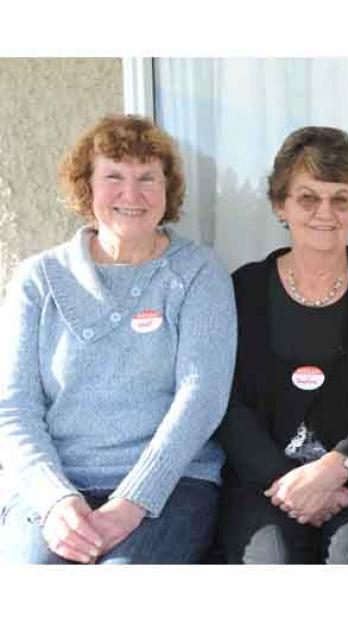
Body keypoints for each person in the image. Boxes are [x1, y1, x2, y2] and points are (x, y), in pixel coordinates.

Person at [0, 115, 236, 564]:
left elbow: (201, 396)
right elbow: (12, 407)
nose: (132, 194)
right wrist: (54, 500)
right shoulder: (38, 278)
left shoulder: (198, 273)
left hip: (171, 486)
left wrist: (133, 501)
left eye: (147, 177)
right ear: (86, 187)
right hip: (53, 484)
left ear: (168, 191)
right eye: (114, 177)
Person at [215, 126, 348, 564]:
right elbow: (227, 405)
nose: (326, 212)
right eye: (307, 198)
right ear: (280, 205)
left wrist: (334, 470)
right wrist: (289, 482)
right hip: (265, 481)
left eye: (341, 198)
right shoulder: (243, 289)